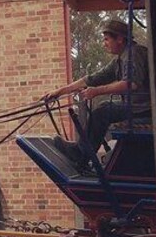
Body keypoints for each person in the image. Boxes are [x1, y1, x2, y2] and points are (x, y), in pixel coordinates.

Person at [44, 19, 150, 164]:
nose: (104, 44)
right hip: (137, 106)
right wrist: (60, 91)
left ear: (119, 39)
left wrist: (97, 91)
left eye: (106, 39)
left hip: (145, 108)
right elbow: (92, 79)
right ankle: (83, 151)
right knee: (104, 107)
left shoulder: (134, 53)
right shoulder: (120, 59)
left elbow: (131, 84)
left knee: (103, 111)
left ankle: (81, 154)